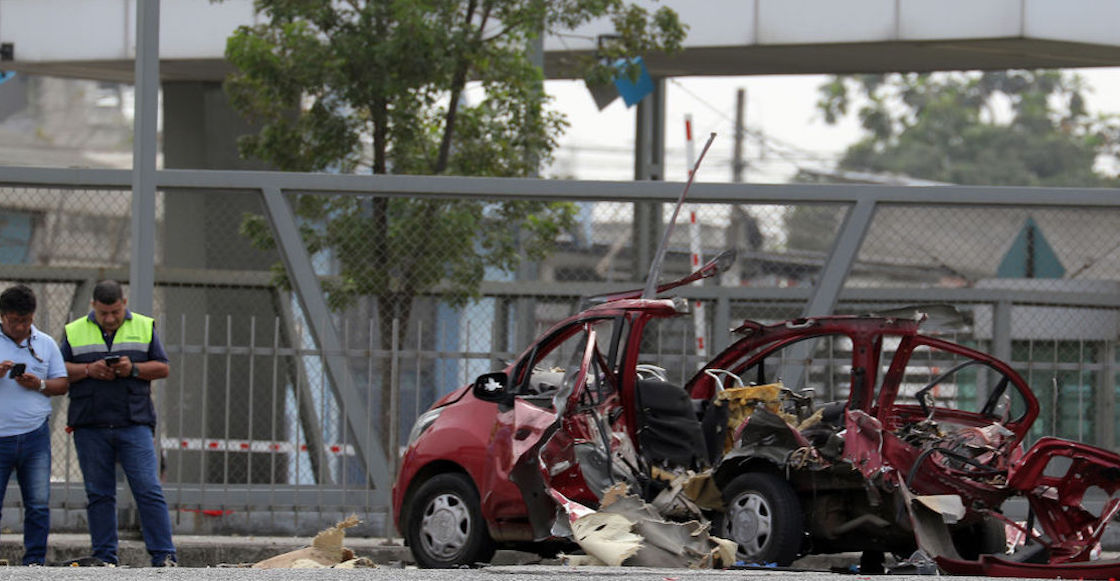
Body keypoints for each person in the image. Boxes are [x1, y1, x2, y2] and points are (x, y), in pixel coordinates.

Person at [60, 280, 177, 567]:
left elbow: (162, 367)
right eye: (104, 313)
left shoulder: (144, 326)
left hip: (133, 423)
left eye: (115, 312)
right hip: (90, 424)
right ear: (93, 307)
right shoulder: (74, 331)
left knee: (148, 489)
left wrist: (132, 368)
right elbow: (59, 371)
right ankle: (104, 557)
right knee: (99, 494)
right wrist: (89, 369)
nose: (110, 319)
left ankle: (164, 556)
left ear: (124, 303)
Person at [0, 284, 68, 566]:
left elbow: (61, 384)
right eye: (14, 320)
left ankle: (35, 562)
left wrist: (39, 384)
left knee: (38, 504)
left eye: (26, 320)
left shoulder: (46, 343)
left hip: (34, 436)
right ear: (2, 316)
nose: (20, 327)